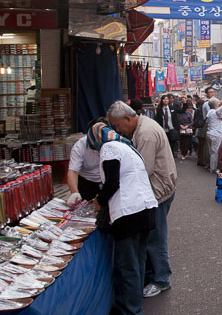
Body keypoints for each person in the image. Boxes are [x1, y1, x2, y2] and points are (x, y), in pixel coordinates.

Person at [106, 101, 177, 299]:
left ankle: (161, 279)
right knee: (152, 236)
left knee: (156, 238)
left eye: (118, 126)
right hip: (158, 188)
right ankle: (153, 276)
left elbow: (143, 169)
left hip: (158, 190)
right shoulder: (142, 126)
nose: (117, 130)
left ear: (128, 119)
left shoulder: (145, 134)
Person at [88, 122, 158, 315]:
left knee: (127, 266)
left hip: (129, 213)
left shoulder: (109, 148)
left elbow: (112, 183)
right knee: (138, 261)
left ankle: (130, 309)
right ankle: (136, 305)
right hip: (145, 208)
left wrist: (99, 201)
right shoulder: (127, 146)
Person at [65, 117, 106, 205]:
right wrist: (75, 193)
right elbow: (73, 171)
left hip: (107, 182)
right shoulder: (80, 146)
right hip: (87, 183)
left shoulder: (113, 143)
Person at [206, 98, 222, 172]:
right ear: (216, 105)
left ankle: (211, 166)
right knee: (215, 152)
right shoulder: (216, 112)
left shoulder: (209, 112)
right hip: (216, 134)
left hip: (209, 133)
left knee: (211, 151)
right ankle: (213, 168)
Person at [193, 99, 208, 166]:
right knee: (204, 145)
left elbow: (194, 119)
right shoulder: (204, 110)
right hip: (203, 128)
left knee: (200, 145)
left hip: (199, 128)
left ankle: (200, 160)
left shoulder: (197, 110)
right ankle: (203, 160)